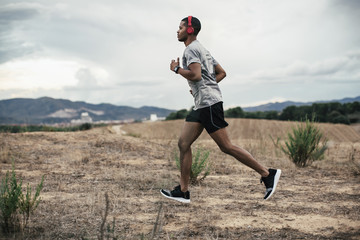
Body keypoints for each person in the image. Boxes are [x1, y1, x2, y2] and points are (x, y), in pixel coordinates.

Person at [160, 16, 281, 203]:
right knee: (183, 144)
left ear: (190, 30)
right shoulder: (203, 50)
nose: (178, 31)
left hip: (209, 104)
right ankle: (183, 192)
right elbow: (221, 72)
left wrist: (177, 69)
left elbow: (196, 75)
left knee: (226, 146)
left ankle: (267, 173)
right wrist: (205, 87)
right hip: (202, 103)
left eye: (181, 27)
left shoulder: (191, 49)